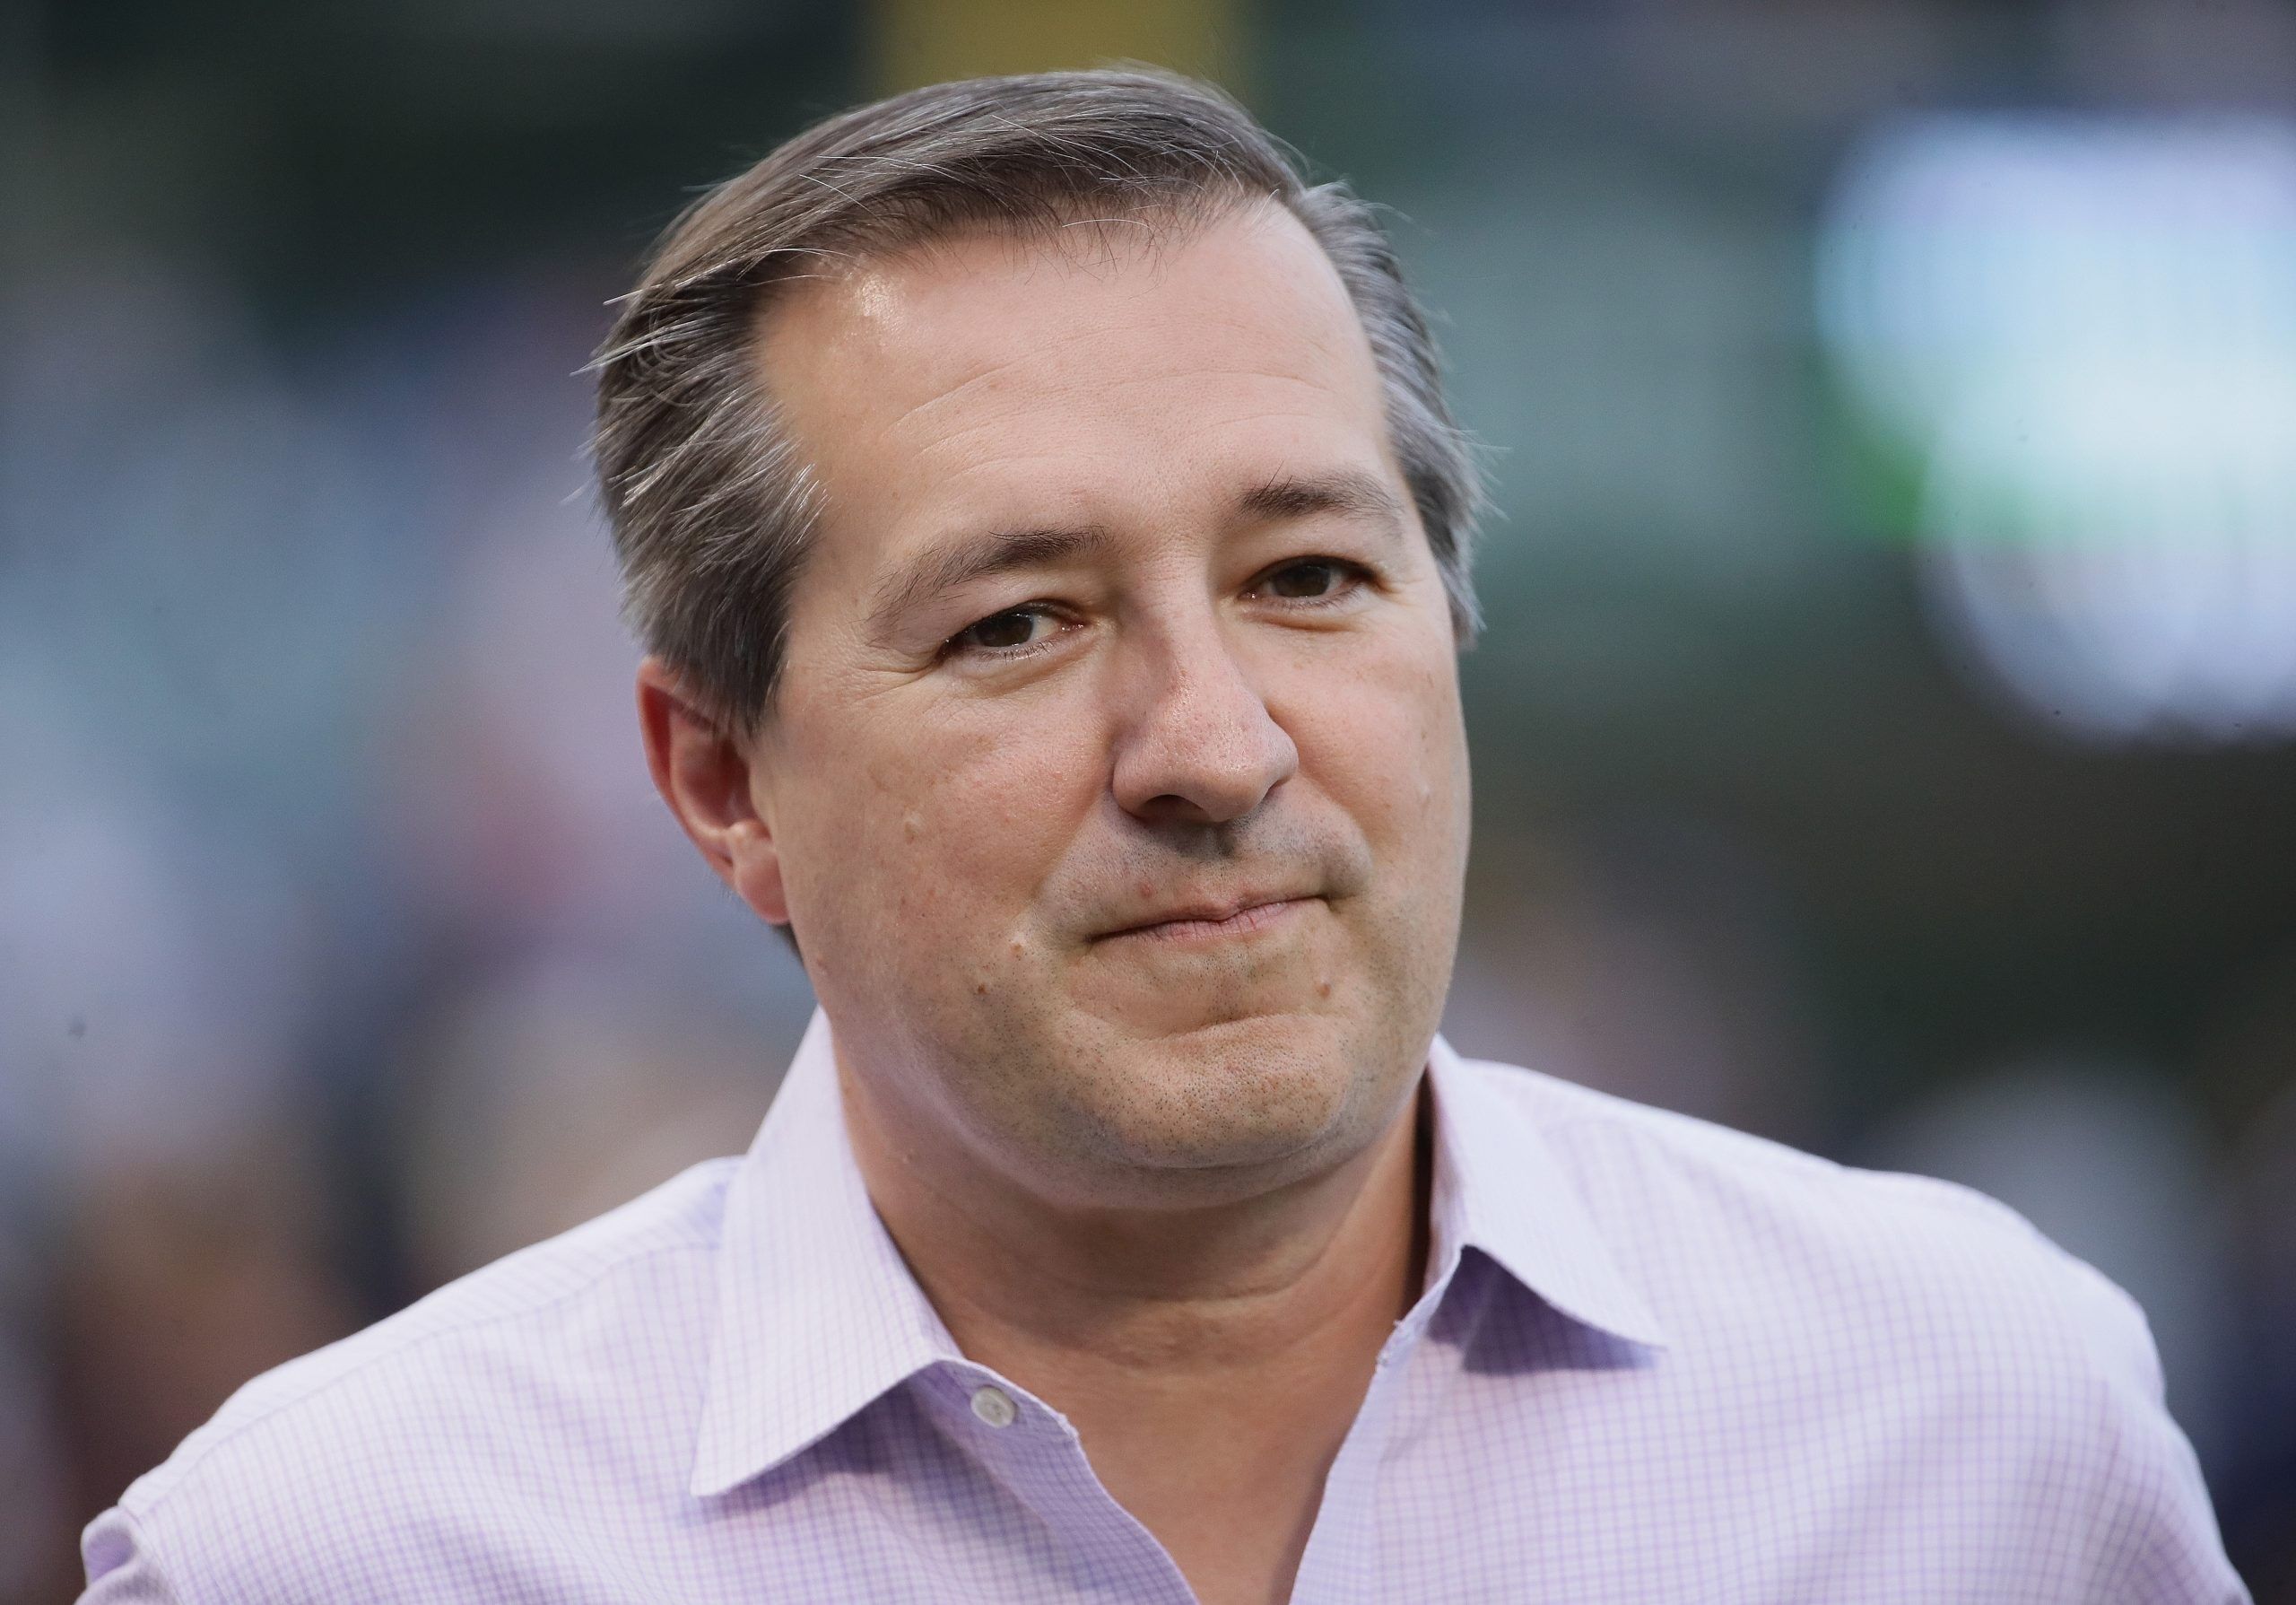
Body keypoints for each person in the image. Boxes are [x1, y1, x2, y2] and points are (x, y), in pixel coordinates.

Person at [81, 68, 2246, 1605]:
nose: (1212, 745)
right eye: (1018, 623)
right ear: (722, 784)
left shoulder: (1969, 1427)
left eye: (1309, 577)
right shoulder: (347, 1553)